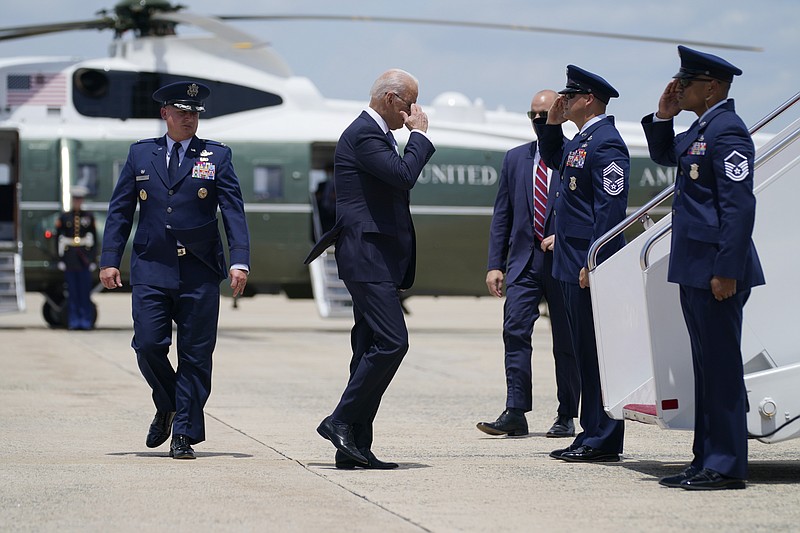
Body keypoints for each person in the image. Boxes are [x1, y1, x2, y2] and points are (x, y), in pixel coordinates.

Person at [99, 81, 250, 460]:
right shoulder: (140, 155)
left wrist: (240, 259)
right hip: (152, 265)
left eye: (195, 113)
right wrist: (109, 259)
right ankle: (168, 402)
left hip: (199, 269)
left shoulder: (216, 156)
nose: (190, 119)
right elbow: (120, 211)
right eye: (182, 112)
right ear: (164, 114)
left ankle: (184, 433)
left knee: (196, 355)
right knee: (148, 345)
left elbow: (233, 210)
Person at [642, 46, 764, 490]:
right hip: (695, 267)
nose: (679, 88)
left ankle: (727, 464)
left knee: (722, 370)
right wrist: (663, 115)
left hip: (717, 270)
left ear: (711, 87)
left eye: (686, 83)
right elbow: (666, 156)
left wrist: (727, 269)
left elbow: (738, 206)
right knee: (705, 369)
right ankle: (705, 460)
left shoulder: (728, 131)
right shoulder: (702, 128)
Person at [304, 69, 435, 469]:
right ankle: (340, 420)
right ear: (391, 99)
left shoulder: (375, 136)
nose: (413, 111)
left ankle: (355, 445)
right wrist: (422, 136)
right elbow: (403, 176)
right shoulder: (364, 133)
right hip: (366, 256)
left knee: (367, 348)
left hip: (377, 256)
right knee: (394, 342)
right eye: (410, 102)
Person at [534, 65, 629, 462]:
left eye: (569, 97)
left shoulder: (606, 143)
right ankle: (592, 432)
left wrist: (596, 261)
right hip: (570, 261)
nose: (564, 102)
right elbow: (556, 159)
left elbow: (610, 210)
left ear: (588, 99)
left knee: (595, 353)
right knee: (582, 351)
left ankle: (603, 436)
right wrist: (551, 125)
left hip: (587, 264)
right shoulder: (581, 141)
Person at [476, 90, 579, 438]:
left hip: (562, 261)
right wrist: (495, 264)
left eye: (544, 113)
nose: (538, 120)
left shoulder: (574, 155)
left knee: (566, 340)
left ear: (560, 114)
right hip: (523, 263)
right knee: (515, 332)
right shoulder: (515, 159)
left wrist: (564, 237)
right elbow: (501, 215)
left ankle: (567, 414)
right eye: (533, 114)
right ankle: (516, 410)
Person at [55, 185, 97, 330]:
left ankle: (85, 321)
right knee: (73, 294)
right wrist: (60, 260)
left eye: (80, 199)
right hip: (70, 259)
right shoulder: (65, 217)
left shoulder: (88, 217)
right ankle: (73, 321)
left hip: (83, 259)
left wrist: (92, 260)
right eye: (75, 199)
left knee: (85, 293)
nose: (77, 201)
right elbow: (58, 239)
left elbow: (94, 240)